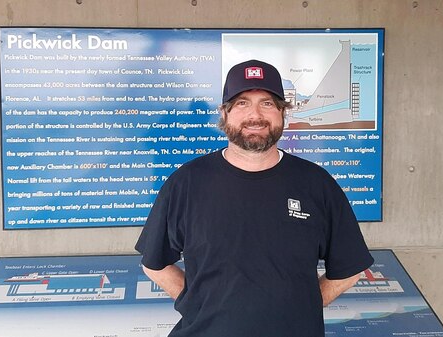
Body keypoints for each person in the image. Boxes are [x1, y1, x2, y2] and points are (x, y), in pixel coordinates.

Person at [135, 59, 373, 337]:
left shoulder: (316, 184)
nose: (255, 115)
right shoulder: (186, 182)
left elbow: (350, 268)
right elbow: (155, 264)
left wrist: (303, 307)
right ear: (224, 114)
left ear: (283, 113)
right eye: (242, 103)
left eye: (268, 103)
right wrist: (197, 304)